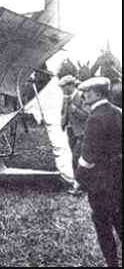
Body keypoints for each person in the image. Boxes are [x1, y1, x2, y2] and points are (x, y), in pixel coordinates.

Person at [75, 77, 122, 267]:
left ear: (95, 93)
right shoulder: (118, 112)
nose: (84, 95)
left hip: (101, 181)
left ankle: (112, 263)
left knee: (102, 223)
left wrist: (78, 179)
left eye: (87, 92)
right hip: (119, 176)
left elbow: (88, 159)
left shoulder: (94, 119)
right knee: (120, 218)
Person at [58, 75, 89, 194]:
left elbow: (87, 115)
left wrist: (75, 109)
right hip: (71, 131)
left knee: (76, 157)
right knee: (75, 157)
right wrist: (63, 121)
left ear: (71, 85)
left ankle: (78, 185)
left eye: (64, 87)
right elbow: (63, 111)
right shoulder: (66, 97)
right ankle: (80, 183)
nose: (62, 90)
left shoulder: (81, 96)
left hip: (82, 132)